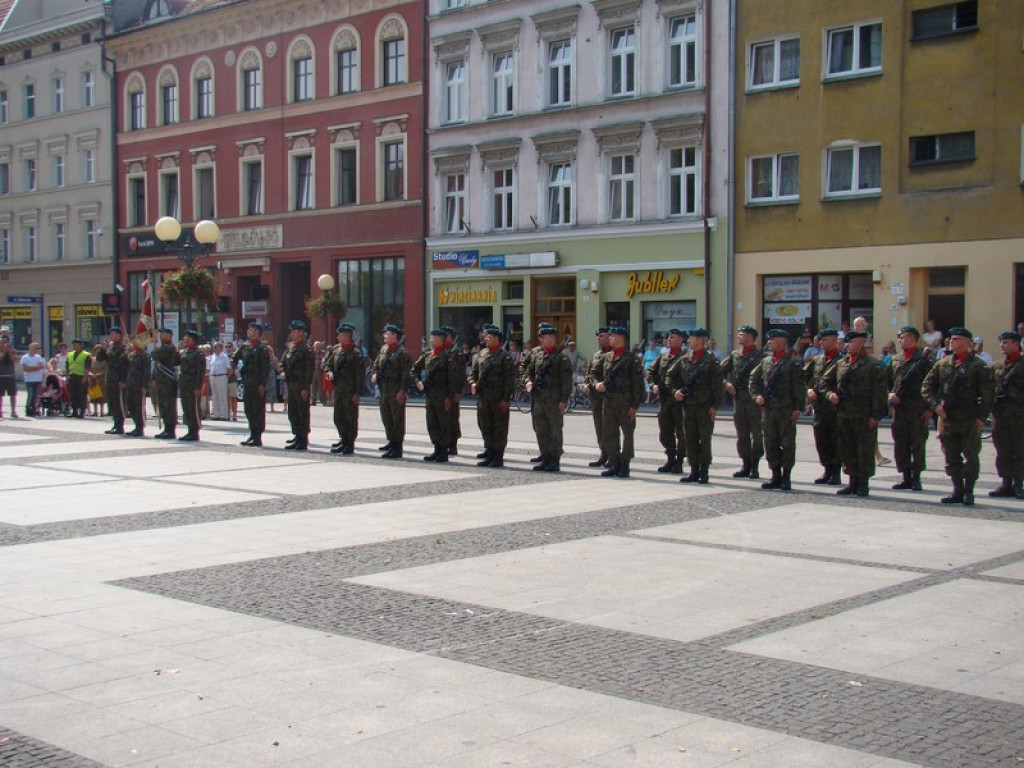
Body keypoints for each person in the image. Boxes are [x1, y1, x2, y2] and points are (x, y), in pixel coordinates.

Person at [922, 327, 994, 506]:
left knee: (971, 456)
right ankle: (957, 490)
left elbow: (988, 394)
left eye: (958, 339)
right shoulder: (943, 363)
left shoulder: (978, 366)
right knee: (951, 456)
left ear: (968, 343)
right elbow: (927, 386)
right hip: (948, 418)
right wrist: (935, 406)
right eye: (952, 339)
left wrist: (981, 417)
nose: (953, 342)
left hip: (969, 418)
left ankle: (969, 491)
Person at [823, 330, 888, 497]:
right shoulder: (841, 363)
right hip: (844, 414)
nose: (848, 346)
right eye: (847, 343)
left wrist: (875, 416)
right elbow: (824, 382)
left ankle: (863, 484)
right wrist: (830, 394)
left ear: (860, 343)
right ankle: (852, 482)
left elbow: (880, 393)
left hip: (864, 415)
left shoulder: (874, 365)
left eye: (851, 343)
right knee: (847, 449)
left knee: (864, 450)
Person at [750, 329, 804, 490]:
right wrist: (756, 396)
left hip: (786, 410)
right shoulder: (766, 361)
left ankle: (786, 476)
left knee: (787, 444)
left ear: (782, 342)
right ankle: (775, 475)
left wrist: (797, 409)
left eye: (772, 340)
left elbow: (799, 388)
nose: (769, 343)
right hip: (769, 410)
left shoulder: (792, 362)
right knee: (770, 442)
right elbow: (753, 379)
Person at [669, 327, 724, 484]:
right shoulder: (684, 359)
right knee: (690, 439)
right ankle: (693, 470)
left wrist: (715, 406)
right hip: (688, 406)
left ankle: (704, 471)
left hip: (705, 407)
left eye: (692, 338)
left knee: (704, 440)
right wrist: (675, 391)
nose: (689, 341)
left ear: (702, 341)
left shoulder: (711, 361)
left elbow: (718, 386)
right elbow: (670, 376)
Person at [593, 327, 644, 477]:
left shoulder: (632, 359)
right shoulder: (607, 357)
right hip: (608, 401)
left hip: (625, 402)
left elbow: (638, 385)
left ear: (622, 338)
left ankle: (625, 464)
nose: (610, 338)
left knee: (627, 435)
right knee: (609, 433)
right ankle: (614, 463)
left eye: (613, 336)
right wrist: (597, 384)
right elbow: (594, 373)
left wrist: (635, 406)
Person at [886, 326, 933, 491]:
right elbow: (886, 381)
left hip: (917, 408)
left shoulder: (924, 360)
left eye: (904, 337)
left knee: (917, 444)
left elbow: (933, 385)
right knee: (901, 444)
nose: (900, 340)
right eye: (899, 337)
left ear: (913, 339)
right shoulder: (895, 359)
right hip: (899, 409)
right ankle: (905, 476)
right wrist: (889, 394)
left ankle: (916, 477)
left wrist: (929, 409)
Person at [523, 324, 573, 472]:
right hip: (539, 398)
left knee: (555, 430)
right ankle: (545, 458)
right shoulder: (537, 355)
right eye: (545, 337)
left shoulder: (561, 358)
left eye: (551, 337)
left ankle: (554, 460)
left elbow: (566, 381)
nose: (548, 340)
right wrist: (528, 381)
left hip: (554, 400)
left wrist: (564, 400)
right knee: (541, 430)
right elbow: (528, 371)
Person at [721, 325, 764, 479]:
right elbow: (718, 371)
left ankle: (755, 466)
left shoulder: (762, 355)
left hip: (755, 400)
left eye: (742, 334)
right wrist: (726, 384)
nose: (739, 336)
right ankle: (745, 465)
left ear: (751, 337)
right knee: (742, 434)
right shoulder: (735, 355)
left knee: (757, 434)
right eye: (738, 334)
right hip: (738, 399)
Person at [469, 325, 515, 467]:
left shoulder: (504, 356)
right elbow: (474, 373)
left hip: (498, 398)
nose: (486, 339)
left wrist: (506, 399)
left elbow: (509, 380)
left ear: (496, 339)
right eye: (486, 336)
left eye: (489, 337)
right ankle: (489, 452)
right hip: (483, 398)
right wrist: (472, 383)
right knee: (485, 425)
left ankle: (498, 456)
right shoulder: (482, 354)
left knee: (499, 428)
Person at [413, 329, 462, 462]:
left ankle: (444, 451)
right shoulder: (428, 355)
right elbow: (415, 369)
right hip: (430, 395)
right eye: (431, 338)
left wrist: (450, 397)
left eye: (434, 338)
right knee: (432, 423)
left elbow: (453, 379)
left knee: (443, 424)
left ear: (442, 340)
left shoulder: (448, 356)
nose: (431, 340)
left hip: (443, 396)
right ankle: (436, 449)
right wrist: (418, 382)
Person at [647, 328, 687, 474]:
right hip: (665, 400)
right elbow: (651, 372)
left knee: (681, 433)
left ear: (681, 340)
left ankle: (679, 460)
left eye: (673, 337)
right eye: (668, 337)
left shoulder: (686, 357)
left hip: (680, 401)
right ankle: (670, 458)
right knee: (665, 431)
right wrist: (653, 385)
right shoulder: (663, 357)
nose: (669, 339)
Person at [989, 331, 1024, 498]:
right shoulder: (996, 366)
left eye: (1006, 342)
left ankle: (1018, 483)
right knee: (1002, 450)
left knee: (1019, 450)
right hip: (1000, 415)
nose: (1002, 345)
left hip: (1019, 415)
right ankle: (1005, 482)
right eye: (1001, 342)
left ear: (1016, 344)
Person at [805, 329, 842, 485]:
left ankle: (836, 472)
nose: (822, 343)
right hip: (819, 407)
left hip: (836, 408)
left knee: (836, 440)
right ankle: (827, 470)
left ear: (834, 340)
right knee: (821, 440)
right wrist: (808, 390)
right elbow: (804, 377)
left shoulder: (843, 360)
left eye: (825, 340)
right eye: (821, 340)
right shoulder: (817, 360)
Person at [372, 324, 412, 458]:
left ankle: (398, 446)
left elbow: (406, 374)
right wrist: (375, 374)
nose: (385, 336)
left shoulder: (403, 352)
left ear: (395, 336)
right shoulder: (384, 349)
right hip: (384, 389)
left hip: (396, 389)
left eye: (387, 334)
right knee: (386, 417)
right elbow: (376, 364)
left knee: (397, 419)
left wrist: (402, 390)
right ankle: (391, 441)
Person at [325, 323, 364, 455]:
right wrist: (329, 372)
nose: (338, 337)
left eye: (340, 335)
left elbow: (360, 375)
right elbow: (327, 364)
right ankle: (343, 439)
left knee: (350, 418)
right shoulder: (336, 350)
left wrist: (357, 393)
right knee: (338, 417)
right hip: (338, 389)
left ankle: (350, 443)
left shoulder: (356, 353)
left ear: (347, 336)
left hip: (350, 390)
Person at [232, 321, 272, 447]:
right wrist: (235, 368)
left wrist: (262, 384)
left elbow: (265, 368)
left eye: (251, 330)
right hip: (247, 382)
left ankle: (257, 436)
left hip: (257, 383)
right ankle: (252, 434)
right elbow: (234, 358)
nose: (248, 332)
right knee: (248, 409)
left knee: (258, 410)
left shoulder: (262, 348)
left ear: (257, 332)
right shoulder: (245, 346)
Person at [582, 328, 613, 467]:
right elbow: (590, 373)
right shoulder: (596, 355)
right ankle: (603, 454)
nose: (598, 338)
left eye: (602, 336)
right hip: (596, 397)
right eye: (597, 336)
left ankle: (613, 456)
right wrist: (587, 384)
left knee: (610, 427)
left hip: (610, 396)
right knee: (599, 426)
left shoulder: (615, 354)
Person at [281, 320, 314, 450]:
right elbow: (282, 361)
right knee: (293, 412)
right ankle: (297, 435)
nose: (292, 333)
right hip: (291, 384)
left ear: (301, 333)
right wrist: (282, 371)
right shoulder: (290, 347)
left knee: (302, 412)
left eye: (294, 331)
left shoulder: (306, 349)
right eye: (292, 331)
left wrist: (306, 388)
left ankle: (303, 438)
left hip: (301, 385)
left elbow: (309, 370)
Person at [151, 327, 180, 439]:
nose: (161, 336)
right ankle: (166, 428)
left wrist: (155, 346)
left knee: (169, 406)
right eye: (161, 334)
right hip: (161, 381)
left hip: (168, 381)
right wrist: (154, 379)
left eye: (163, 334)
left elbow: (155, 355)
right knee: (163, 405)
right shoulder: (163, 347)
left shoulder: (170, 348)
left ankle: (171, 430)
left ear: (169, 336)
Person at [442, 326, 466, 456]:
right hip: (442, 391)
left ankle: (453, 444)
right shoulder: (440, 351)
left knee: (452, 418)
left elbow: (461, 374)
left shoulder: (456, 352)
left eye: (445, 336)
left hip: (453, 391)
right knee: (443, 418)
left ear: (451, 337)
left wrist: (458, 391)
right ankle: (444, 443)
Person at [178, 330, 205, 442]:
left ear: (192, 339)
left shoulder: (198, 353)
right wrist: (177, 349)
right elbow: (175, 361)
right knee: (186, 408)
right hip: (184, 384)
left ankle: (194, 432)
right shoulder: (184, 352)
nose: (184, 339)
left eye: (187, 337)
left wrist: (198, 387)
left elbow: (200, 372)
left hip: (192, 384)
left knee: (193, 408)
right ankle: (189, 430)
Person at [123, 336, 151, 437]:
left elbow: (146, 372)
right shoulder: (132, 355)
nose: (134, 343)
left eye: (136, 342)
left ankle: (140, 427)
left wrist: (144, 386)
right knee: (131, 406)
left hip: (139, 385)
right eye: (133, 342)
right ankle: (136, 425)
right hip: (131, 384)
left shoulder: (144, 355)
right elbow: (124, 362)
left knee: (139, 406)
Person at [104, 327, 130, 434]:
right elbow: (101, 358)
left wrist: (123, 380)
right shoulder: (110, 348)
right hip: (110, 378)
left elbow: (124, 365)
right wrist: (103, 348)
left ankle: (120, 426)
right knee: (112, 402)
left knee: (119, 402)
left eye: (112, 334)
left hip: (118, 379)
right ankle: (115, 423)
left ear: (118, 336)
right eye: (110, 334)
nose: (110, 336)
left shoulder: (123, 348)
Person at [64, 339, 92, 418]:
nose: (74, 346)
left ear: (80, 345)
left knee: (82, 395)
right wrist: (67, 376)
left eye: (76, 344)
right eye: (73, 344)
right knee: (73, 395)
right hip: (72, 377)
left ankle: (82, 412)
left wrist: (85, 377)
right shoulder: (69, 354)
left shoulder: (86, 355)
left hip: (81, 377)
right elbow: (67, 366)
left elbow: (88, 367)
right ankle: (74, 412)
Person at [21, 342, 45, 417]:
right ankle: (28, 409)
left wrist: (31, 368)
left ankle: (33, 410)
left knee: (35, 396)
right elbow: (25, 368)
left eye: (37, 348)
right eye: (34, 348)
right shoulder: (25, 357)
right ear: (30, 348)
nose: (36, 350)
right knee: (30, 395)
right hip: (29, 379)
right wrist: (35, 368)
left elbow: (41, 366)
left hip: (37, 379)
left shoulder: (38, 357)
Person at [207, 342, 231, 420]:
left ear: (220, 348)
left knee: (222, 396)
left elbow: (229, 368)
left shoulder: (224, 357)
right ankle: (216, 414)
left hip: (222, 376)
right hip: (213, 376)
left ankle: (224, 414)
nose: (214, 348)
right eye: (213, 347)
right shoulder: (212, 357)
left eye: (215, 347)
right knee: (215, 396)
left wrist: (226, 377)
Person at [0, 332, 18, 419]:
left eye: (6, 340)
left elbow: (13, 360)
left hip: (10, 375)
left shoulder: (12, 349)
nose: (4, 342)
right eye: (2, 340)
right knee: (0, 395)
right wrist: (4, 351)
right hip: (1, 375)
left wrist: (9, 352)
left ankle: (13, 411)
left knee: (13, 394)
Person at [89, 345, 107, 417]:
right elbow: (88, 368)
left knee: (102, 396)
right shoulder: (92, 359)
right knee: (94, 396)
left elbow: (105, 369)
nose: (98, 351)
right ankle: (95, 411)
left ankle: (102, 411)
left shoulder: (105, 360)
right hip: (92, 379)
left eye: (99, 350)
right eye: (96, 350)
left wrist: (98, 374)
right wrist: (91, 374)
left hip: (101, 380)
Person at [225, 342, 239, 421]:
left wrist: (228, 376)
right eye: (226, 347)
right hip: (225, 379)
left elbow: (233, 369)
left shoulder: (234, 357)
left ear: (232, 347)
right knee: (227, 398)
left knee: (233, 397)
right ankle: (228, 414)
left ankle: (235, 415)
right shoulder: (224, 356)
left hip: (232, 379)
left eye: (229, 346)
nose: (227, 348)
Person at [312, 340, 326, 406]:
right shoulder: (312, 353)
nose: (317, 348)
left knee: (321, 386)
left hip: (320, 370)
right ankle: (313, 400)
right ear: (314, 347)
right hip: (313, 370)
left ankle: (323, 400)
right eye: (316, 346)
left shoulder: (323, 353)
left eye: (318, 346)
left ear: (321, 347)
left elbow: (325, 361)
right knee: (313, 386)